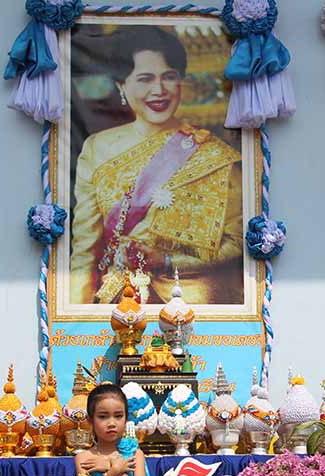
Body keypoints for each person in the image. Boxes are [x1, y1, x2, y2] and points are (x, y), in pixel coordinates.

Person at [69, 25, 244, 306]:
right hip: (118, 303)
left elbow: (238, 242)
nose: (159, 90)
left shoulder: (212, 154)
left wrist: (166, 260)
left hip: (192, 303)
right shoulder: (97, 148)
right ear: (121, 85)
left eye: (169, 77)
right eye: (145, 79)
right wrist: (76, 318)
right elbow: (85, 251)